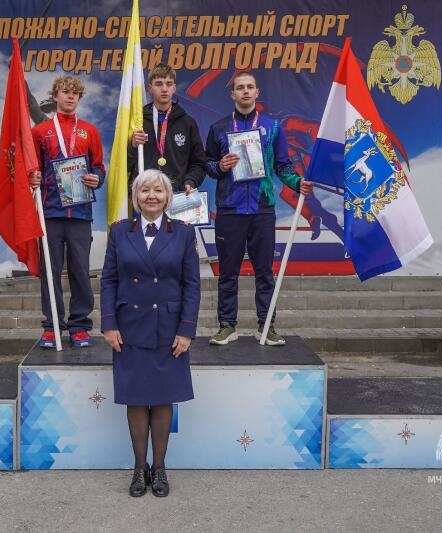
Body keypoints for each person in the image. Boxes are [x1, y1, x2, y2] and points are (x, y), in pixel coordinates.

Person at [101, 169, 200, 498]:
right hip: (129, 328)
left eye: (158, 190)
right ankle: (138, 468)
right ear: (135, 197)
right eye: (145, 191)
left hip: (169, 329)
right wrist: (109, 324)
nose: (152, 196)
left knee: (161, 399)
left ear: (168, 197)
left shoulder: (184, 233)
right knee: (136, 398)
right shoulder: (118, 232)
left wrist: (186, 330)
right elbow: (109, 280)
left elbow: (191, 286)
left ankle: (159, 468)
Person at [205, 72, 313, 346]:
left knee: (264, 271)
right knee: (228, 272)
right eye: (239, 88)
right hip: (229, 209)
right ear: (232, 95)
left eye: (249, 87)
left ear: (257, 92)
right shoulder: (218, 128)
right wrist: (220, 166)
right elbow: (206, 163)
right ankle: (227, 326)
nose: (244, 91)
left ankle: (267, 326)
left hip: (262, 209)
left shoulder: (272, 127)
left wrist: (298, 182)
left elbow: (283, 166)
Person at [30, 76, 104, 348]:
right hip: (49, 213)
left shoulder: (90, 131)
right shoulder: (41, 131)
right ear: (55, 96)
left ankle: (80, 326)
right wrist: (32, 178)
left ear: (79, 98)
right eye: (65, 92)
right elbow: (33, 167)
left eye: (75, 93)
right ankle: (52, 327)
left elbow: (99, 168)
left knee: (80, 271)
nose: (70, 97)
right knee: (50, 272)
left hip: (81, 214)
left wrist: (97, 178)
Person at [129, 64, 206, 194]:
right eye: (158, 84)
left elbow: (198, 163)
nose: (164, 89)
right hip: (145, 194)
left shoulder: (188, 123)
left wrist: (190, 181)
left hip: (177, 194)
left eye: (169, 84)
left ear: (174, 88)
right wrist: (133, 146)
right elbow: (123, 164)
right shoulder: (137, 122)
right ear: (150, 88)